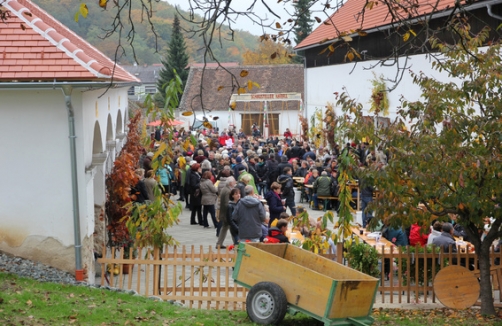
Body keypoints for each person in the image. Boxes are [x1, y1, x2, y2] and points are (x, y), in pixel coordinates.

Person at [216, 176, 236, 249]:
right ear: (231, 183)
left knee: (224, 228)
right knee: (232, 228)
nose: (235, 182)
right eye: (234, 181)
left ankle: (219, 243)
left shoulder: (225, 189)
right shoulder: (228, 191)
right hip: (226, 214)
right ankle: (236, 243)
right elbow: (226, 203)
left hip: (224, 213)